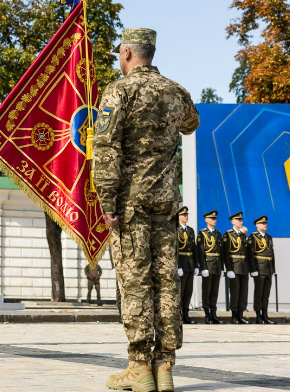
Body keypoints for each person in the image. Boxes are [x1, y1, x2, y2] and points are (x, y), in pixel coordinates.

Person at [94, 27, 199, 392]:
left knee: (135, 280)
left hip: (131, 203)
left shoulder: (119, 91)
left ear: (126, 53)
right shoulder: (175, 90)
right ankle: (165, 366)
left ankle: (139, 367)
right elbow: (191, 123)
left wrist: (107, 203)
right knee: (166, 281)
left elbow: (106, 149)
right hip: (166, 201)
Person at [222, 212, 251, 324]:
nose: (241, 222)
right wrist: (228, 269)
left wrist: (249, 269)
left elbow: (247, 254)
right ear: (233, 222)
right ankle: (234, 316)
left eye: (241, 220)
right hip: (234, 267)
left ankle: (241, 314)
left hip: (243, 268)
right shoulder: (228, 235)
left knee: (243, 292)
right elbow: (226, 253)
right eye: (238, 220)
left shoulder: (243, 236)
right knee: (235, 292)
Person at [196, 210, 224, 324]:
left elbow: (221, 252)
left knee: (214, 291)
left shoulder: (218, 234)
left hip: (216, 266)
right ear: (206, 220)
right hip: (208, 265)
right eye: (212, 219)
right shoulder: (202, 233)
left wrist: (222, 268)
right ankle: (207, 314)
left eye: (215, 218)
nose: (214, 220)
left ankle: (214, 313)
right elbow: (200, 252)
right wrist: (203, 267)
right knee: (206, 291)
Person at [247, 215, 276, 324]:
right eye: (263, 224)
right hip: (259, 268)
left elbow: (272, 254)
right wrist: (252, 269)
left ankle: (265, 314)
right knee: (259, 293)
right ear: (257, 225)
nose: (265, 225)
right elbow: (250, 255)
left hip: (268, 268)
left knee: (266, 293)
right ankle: (258, 315)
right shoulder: (253, 237)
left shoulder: (268, 237)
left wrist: (273, 268)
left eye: (265, 223)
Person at [176, 206, 198, 324]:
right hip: (182, 263)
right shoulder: (176, 229)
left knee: (188, 291)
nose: (186, 217)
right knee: (181, 291)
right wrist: (178, 265)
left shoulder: (190, 230)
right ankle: (179, 315)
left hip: (189, 263)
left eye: (187, 215)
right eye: (184, 215)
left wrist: (196, 265)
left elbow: (194, 249)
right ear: (179, 217)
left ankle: (186, 314)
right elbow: (176, 249)